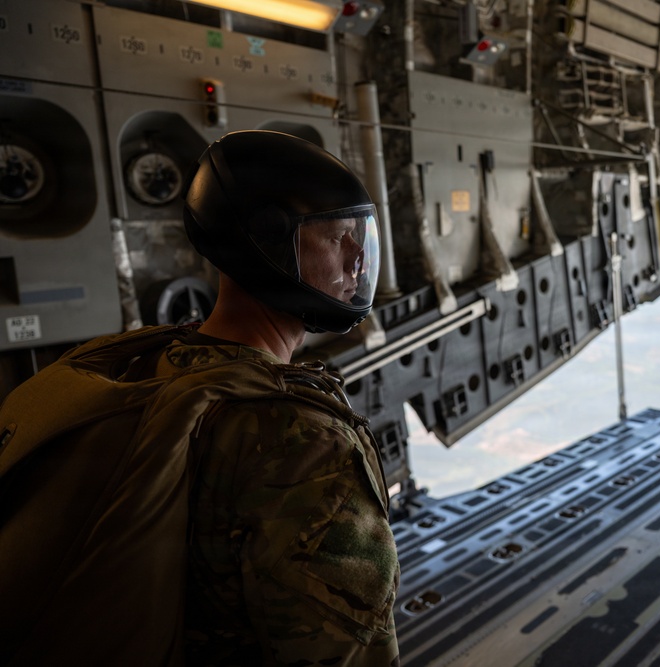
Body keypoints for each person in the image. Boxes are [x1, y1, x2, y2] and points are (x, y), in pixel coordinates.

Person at [0, 130, 400, 666]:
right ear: (267, 240)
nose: (356, 260)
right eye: (337, 238)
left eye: (360, 239)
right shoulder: (308, 446)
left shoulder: (139, 366)